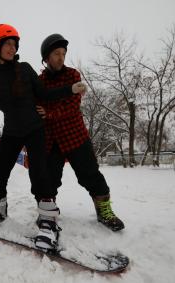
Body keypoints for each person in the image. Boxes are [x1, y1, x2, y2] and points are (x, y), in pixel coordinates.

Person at [0, 24, 86, 249]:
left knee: (39, 172)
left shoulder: (24, 69)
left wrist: (69, 89)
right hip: (12, 131)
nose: (12, 48)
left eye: (15, 44)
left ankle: (48, 220)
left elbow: (43, 94)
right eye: (8, 44)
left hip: (35, 128)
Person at [36, 34, 125, 231]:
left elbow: (72, 106)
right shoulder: (39, 81)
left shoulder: (73, 75)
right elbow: (36, 106)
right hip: (51, 140)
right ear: (46, 57)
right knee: (49, 178)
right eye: (56, 53)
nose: (61, 57)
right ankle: (48, 213)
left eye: (63, 53)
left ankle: (105, 211)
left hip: (75, 135)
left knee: (90, 174)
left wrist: (49, 113)